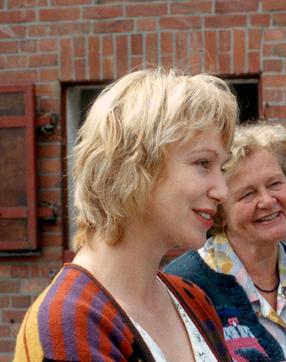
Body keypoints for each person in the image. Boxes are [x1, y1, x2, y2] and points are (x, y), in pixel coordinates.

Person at [14, 68, 238, 361]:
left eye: (222, 168)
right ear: (136, 164)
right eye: (203, 163)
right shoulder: (68, 323)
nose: (222, 191)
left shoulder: (193, 301)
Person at [165, 123, 286, 362]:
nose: (268, 201)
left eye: (275, 184)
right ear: (219, 211)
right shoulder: (186, 285)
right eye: (248, 194)